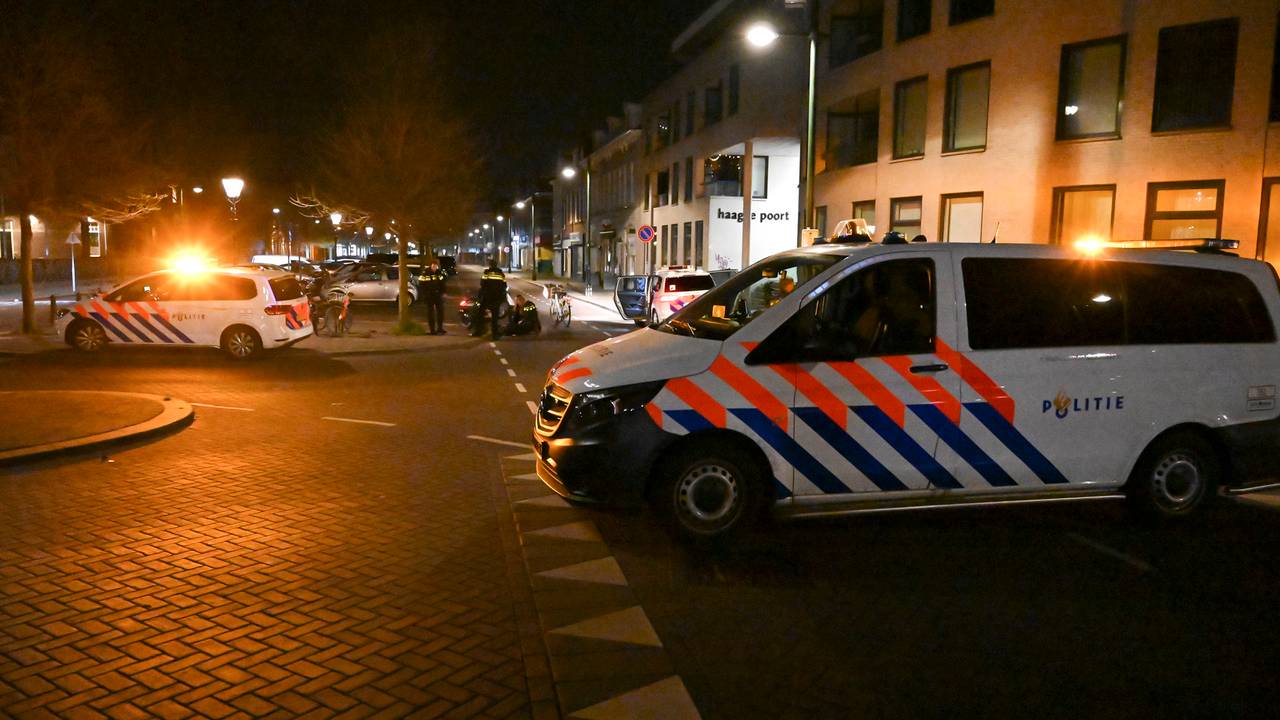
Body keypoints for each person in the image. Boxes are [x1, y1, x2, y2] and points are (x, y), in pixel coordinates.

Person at [476, 261, 507, 339]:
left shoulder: (487, 272)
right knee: (495, 316)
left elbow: (482, 283)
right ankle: (495, 334)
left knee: (480, 312)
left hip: (487, 296)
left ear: (490, 265)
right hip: (497, 297)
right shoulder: (500, 273)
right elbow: (504, 285)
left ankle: (479, 331)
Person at [418, 260, 448, 335]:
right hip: (429, 296)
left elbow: (442, 283)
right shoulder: (425, 273)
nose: (434, 268)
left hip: (438, 295)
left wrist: (443, 292)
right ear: (431, 266)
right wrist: (425, 295)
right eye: (433, 266)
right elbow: (421, 285)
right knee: (430, 313)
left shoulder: (439, 273)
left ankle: (440, 328)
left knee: (440, 311)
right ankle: (432, 330)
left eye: (436, 266)